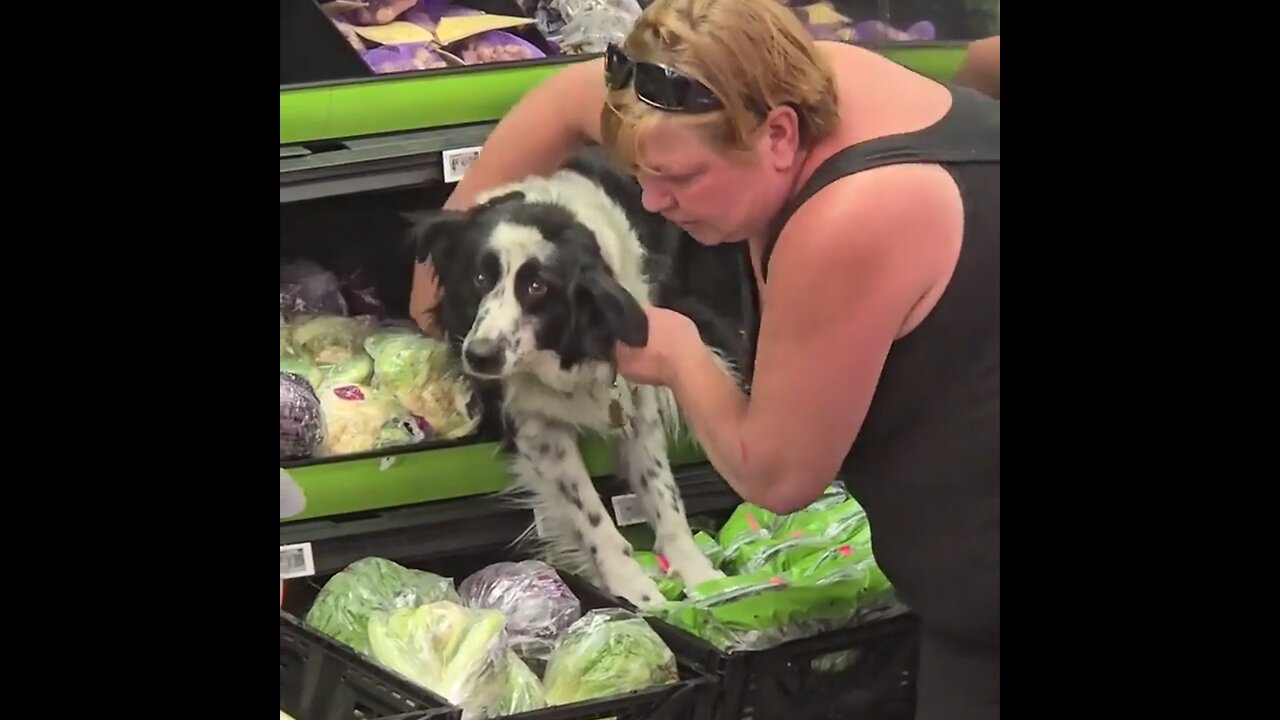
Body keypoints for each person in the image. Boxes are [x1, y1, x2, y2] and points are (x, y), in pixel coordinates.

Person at [413, 1, 999, 717]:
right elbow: (564, 99)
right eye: (641, 173)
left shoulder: (850, 220)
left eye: (680, 179)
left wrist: (679, 355)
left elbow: (779, 476)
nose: (654, 203)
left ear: (778, 135)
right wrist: (446, 255)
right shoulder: (799, 78)